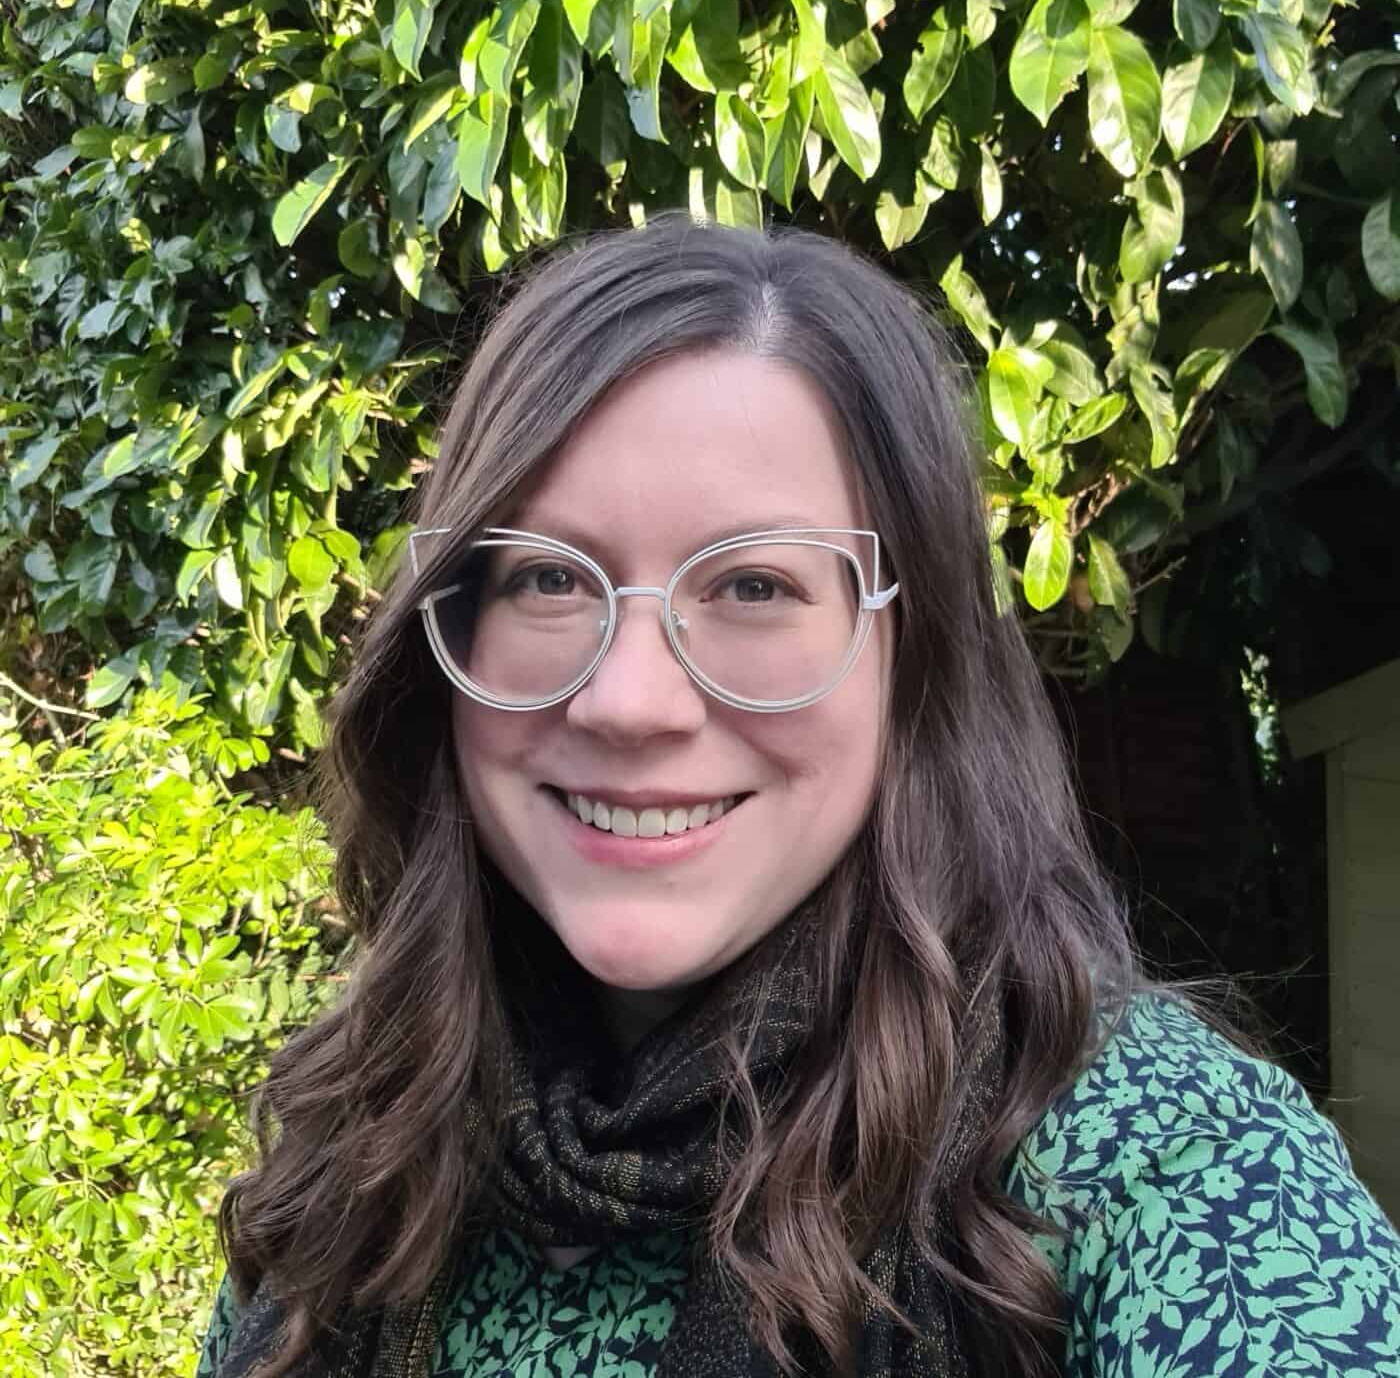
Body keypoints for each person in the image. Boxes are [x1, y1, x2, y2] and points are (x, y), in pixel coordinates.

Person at [197, 217, 1400, 1378]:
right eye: (550, 577)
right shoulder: (353, 1150)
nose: (628, 700)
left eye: (757, 584)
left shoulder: (1148, 1157)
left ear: (908, 651)